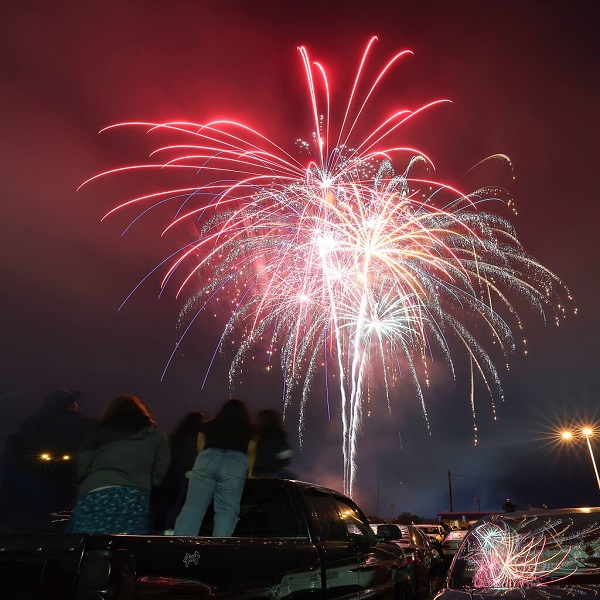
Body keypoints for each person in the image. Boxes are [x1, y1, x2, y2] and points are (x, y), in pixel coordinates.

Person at [66, 394, 169, 535]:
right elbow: (162, 465)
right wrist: (150, 482)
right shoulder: (155, 433)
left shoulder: (101, 431)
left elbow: (83, 461)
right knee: (128, 542)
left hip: (96, 491)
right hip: (135, 494)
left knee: (88, 540)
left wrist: (80, 483)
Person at [0, 389, 97, 533]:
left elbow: (13, 455)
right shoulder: (87, 426)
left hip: (30, 493)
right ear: (72, 405)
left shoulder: (31, 424)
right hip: (71, 489)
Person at [174, 399, 255, 537]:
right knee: (226, 510)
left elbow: (200, 447)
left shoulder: (208, 425)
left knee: (193, 508)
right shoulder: (249, 428)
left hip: (207, 459)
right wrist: (250, 473)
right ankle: (219, 547)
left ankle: (181, 544)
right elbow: (251, 451)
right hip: (234, 464)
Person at [152, 410, 207, 533]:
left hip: (175, 472)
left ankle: (168, 528)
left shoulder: (177, 436)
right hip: (188, 473)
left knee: (173, 503)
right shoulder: (199, 436)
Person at [252, 408, 293, 478]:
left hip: (255, 473)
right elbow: (286, 458)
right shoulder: (279, 436)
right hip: (274, 473)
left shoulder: (254, 434)